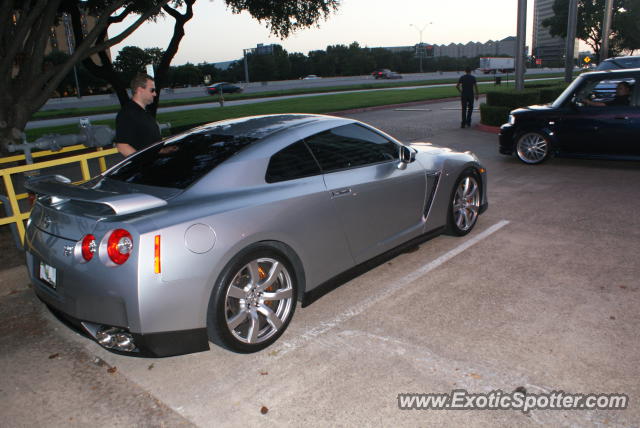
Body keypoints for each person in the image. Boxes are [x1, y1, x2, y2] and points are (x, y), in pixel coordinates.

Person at [114, 73, 161, 156]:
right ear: (140, 90)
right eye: (152, 90)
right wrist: (143, 163)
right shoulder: (127, 113)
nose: (155, 94)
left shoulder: (144, 112)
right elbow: (122, 146)